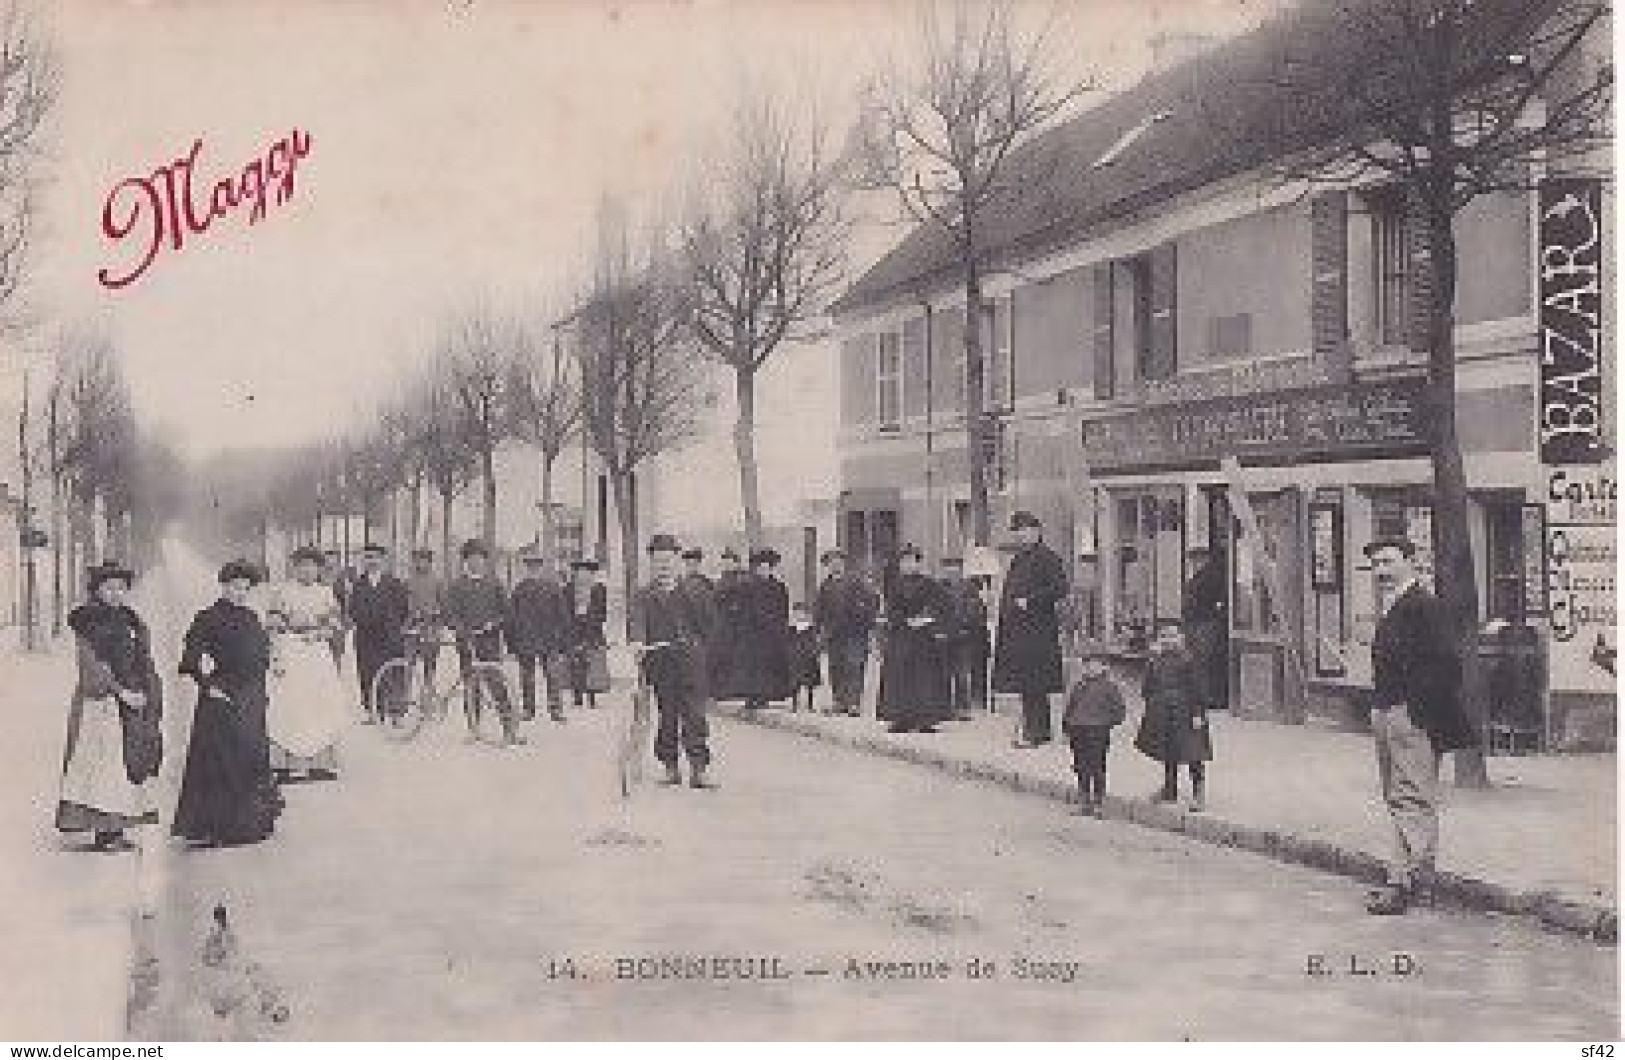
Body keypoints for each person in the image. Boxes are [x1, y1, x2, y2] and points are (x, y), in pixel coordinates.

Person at [1363, 536, 1474, 916]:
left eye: (1389, 561)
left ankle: (1405, 882)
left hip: (1411, 715)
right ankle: (1413, 879)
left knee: (1412, 798)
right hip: (1388, 712)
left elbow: (1447, 663)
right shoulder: (1395, 606)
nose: (1381, 571)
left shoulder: (1425, 606)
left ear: (1411, 562)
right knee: (1398, 797)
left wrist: (1414, 707)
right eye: (1376, 564)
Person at [56, 560, 163, 852]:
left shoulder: (131, 621)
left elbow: (143, 659)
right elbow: (90, 666)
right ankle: (104, 831)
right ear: (97, 590)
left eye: (121, 588)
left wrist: (148, 690)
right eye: (109, 588)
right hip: (100, 703)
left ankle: (116, 827)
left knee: (127, 763)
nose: (116, 594)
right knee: (104, 764)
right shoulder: (87, 622)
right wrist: (119, 692)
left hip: (131, 700)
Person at [173, 560, 280, 848]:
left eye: (245, 588)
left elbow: (260, 658)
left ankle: (248, 824)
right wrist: (210, 687)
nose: (240, 593)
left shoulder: (251, 617)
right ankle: (217, 827)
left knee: (251, 757)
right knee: (221, 763)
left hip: (252, 699)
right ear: (223, 586)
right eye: (235, 587)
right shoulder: (206, 618)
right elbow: (190, 662)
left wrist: (264, 687)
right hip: (222, 700)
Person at [632, 534, 717, 789]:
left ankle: (698, 769)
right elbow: (637, 624)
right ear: (651, 564)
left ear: (677, 562)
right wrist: (638, 642)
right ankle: (670, 767)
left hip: (691, 662)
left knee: (695, 715)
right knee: (667, 715)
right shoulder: (644, 595)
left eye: (668, 561)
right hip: (661, 663)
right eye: (658, 562)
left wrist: (699, 647)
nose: (663, 567)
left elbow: (710, 625)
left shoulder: (694, 591)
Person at [262, 547, 348, 779]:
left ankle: (319, 763)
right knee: (291, 703)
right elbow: (271, 624)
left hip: (317, 652)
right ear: (294, 567)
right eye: (302, 565)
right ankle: (288, 763)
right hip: (291, 650)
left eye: (312, 566)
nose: (307, 571)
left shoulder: (326, 593)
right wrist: (276, 654)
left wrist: (321, 633)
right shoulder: (283, 592)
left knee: (319, 703)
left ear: (319, 569)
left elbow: (337, 624)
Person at [994, 510, 1068, 748]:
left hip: (1038, 631)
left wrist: (1032, 601)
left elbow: (1060, 588)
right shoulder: (1018, 560)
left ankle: (1037, 731)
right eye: (1018, 532)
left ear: (1037, 532)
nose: (1022, 536)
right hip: (1019, 632)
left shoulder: (1048, 558)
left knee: (1036, 682)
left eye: (1027, 531)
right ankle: (1034, 729)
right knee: (1026, 683)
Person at [444, 539, 522, 744]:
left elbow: (507, 613)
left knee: (497, 684)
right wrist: (461, 629)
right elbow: (449, 615)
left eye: (480, 558)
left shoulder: (494, 584)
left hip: (489, 642)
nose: (476, 562)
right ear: (465, 561)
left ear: (485, 561)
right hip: (467, 642)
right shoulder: (456, 586)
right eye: (471, 558)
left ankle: (509, 728)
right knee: (471, 685)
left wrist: (493, 624)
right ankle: (473, 728)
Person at [1133, 618, 1212, 811]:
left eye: (1172, 636)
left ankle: (1198, 793)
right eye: (1164, 636)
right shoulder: (1156, 661)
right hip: (1163, 712)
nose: (1168, 640)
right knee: (1168, 751)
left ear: (1181, 638)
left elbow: (1198, 690)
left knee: (1193, 752)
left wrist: (1198, 713)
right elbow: (1147, 689)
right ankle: (1169, 790)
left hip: (1186, 711)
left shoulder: (1189, 660)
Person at [877, 544, 954, 734]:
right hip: (901, 636)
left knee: (925, 678)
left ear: (919, 563)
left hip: (924, 639)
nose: (908, 565)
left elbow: (944, 606)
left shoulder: (930, 584)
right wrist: (904, 620)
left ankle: (926, 719)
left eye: (912, 561)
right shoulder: (894, 586)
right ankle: (901, 718)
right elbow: (890, 610)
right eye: (905, 561)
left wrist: (928, 619)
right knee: (899, 676)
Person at [347, 543, 409, 723]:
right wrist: (366, 622)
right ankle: (374, 711)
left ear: (383, 560)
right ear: (363, 561)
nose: (371, 561)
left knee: (393, 673)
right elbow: (353, 610)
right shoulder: (358, 585)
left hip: (390, 637)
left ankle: (396, 713)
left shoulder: (394, 583)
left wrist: (393, 625)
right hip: (366, 637)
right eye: (368, 557)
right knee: (367, 673)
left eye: (375, 557)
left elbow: (403, 609)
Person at [814, 548, 878, 717]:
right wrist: (819, 630)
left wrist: (866, 623)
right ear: (827, 565)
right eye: (831, 561)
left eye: (839, 561)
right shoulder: (825, 586)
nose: (835, 564)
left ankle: (854, 702)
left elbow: (872, 601)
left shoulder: (856, 583)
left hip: (855, 633)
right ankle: (839, 701)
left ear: (844, 563)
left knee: (854, 665)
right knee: (836, 666)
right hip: (834, 633)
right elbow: (819, 610)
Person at [1063, 648, 1127, 816]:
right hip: (1078, 731)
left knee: (1097, 766)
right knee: (1080, 766)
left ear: (1105, 668)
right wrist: (1067, 726)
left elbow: (1119, 711)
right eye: (1088, 665)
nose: (1091, 669)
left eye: (1095, 665)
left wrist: (1106, 724)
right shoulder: (1079, 686)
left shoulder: (1110, 687)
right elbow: (1070, 707)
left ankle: (1099, 802)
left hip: (1098, 732)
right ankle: (1084, 800)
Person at [507, 551, 569, 723]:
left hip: (548, 639)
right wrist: (512, 643)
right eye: (530, 566)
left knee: (553, 675)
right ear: (526, 568)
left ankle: (555, 709)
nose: (533, 569)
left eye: (536, 566)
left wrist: (562, 639)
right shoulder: (519, 590)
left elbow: (562, 615)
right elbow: (511, 618)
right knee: (527, 676)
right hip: (526, 639)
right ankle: (529, 709)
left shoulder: (553, 588)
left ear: (541, 568)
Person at [735, 548, 792, 710]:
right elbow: (743, 609)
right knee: (752, 665)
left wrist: (780, 628)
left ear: (771, 568)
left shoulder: (779, 587)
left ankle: (765, 696)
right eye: (760, 567)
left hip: (771, 634)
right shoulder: (748, 587)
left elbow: (783, 611)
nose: (763, 570)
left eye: (766, 567)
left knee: (767, 666)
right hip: (752, 633)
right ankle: (752, 696)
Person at [940, 556, 990, 718]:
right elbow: (934, 609)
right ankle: (944, 707)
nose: (951, 572)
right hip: (943, 637)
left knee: (962, 672)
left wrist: (964, 625)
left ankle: (963, 708)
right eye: (948, 568)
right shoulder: (939, 588)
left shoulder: (969, 589)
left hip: (963, 637)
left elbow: (975, 610)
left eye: (955, 568)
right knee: (944, 673)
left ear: (961, 570)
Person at [1182, 546, 1229, 712]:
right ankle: (1206, 696)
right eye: (1192, 560)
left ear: (1204, 559)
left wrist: (1213, 615)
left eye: (1196, 560)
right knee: (1202, 661)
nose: (1194, 563)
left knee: (1205, 661)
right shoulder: (1201, 576)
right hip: (1200, 624)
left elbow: (1218, 601)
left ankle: (1209, 697)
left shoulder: (1210, 577)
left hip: (1204, 624)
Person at [564, 558, 609, 708]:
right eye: (580, 573)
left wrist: (589, 619)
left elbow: (602, 614)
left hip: (593, 632)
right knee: (575, 665)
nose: (583, 576)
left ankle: (592, 698)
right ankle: (577, 698)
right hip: (574, 632)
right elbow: (565, 613)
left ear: (592, 574)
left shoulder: (599, 589)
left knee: (593, 664)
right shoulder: (568, 589)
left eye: (587, 573)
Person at [710, 548, 750, 700]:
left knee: (735, 657)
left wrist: (734, 606)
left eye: (730, 561)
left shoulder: (741, 579)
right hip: (722, 624)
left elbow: (743, 601)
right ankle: (722, 690)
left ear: (736, 563)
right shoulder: (721, 579)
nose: (726, 564)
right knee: (722, 655)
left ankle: (735, 690)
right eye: (724, 561)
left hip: (736, 624)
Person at [404, 548, 445, 687]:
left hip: (431, 628)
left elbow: (443, 605)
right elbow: (405, 603)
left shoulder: (437, 581)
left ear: (430, 562)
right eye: (418, 560)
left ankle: (427, 692)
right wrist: (412, 614)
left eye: (425, 560)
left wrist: (435, 614)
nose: (421, 564)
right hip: (413, 627)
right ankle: (406, 695)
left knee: (430, 662)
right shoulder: (409, 581)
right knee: (409, 663)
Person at [787, 603, 822, 710]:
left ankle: (810, 704)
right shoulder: (792, 628)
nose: (799, 616)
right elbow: (788, 641)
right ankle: (794, 704)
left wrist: (814, 652)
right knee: (795, 682)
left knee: (809, 682)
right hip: (795, 657)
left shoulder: (810, 628)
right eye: (796, 613)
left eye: (801, 613)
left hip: (808, 657)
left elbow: (814, 642)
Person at [321, 549, 351, 668]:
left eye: (333, 562)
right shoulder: (318, 581)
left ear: (338, 564)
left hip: (338, 623)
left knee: (337, 652)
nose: (330, 564)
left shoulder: (343, 582)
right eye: (327, 562)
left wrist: (346, 622)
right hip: (322, 622)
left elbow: (348, 603)